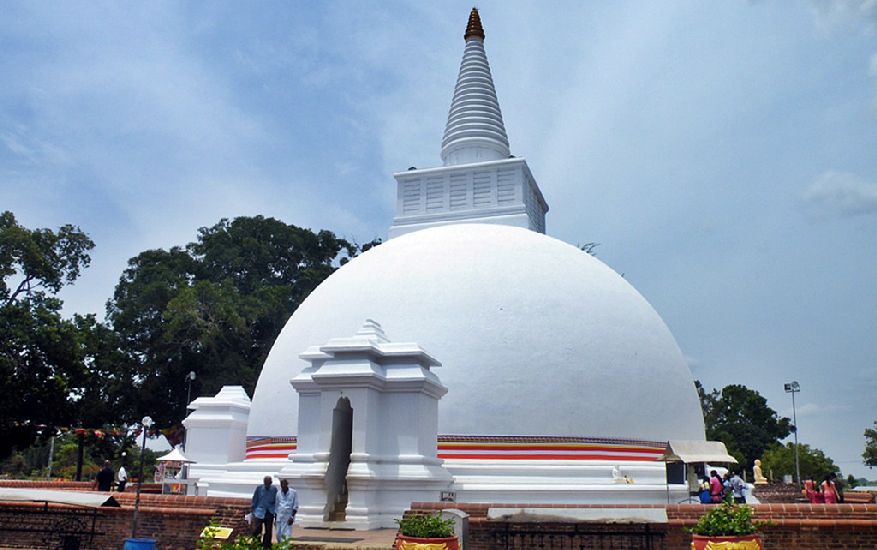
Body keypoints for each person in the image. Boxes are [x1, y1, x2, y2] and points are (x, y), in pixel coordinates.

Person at [251, 476, 278, 548]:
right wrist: (253, 510)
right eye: (266, 483)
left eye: (268, 483)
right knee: (257, 530)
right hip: (259, 512)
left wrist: (275, 512)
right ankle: (256, 544)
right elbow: (255, 499)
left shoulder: (274, 489)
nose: (267, 485)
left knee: (268, 530)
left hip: (269, 511)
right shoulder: (259, 488)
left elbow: (276, 501)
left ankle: (266, 545)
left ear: (271, 483)